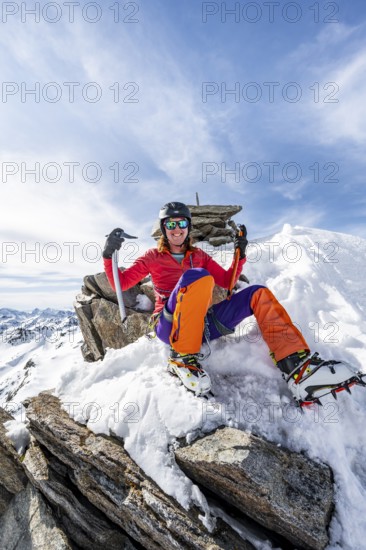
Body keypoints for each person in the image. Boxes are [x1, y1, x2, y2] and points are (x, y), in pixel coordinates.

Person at [103, 201, 362, 405]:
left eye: (181, 222)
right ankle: (182, 358)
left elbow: (227, 282)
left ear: (188, 226)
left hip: (201, 325)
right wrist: (108, 254)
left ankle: (298, 370)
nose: (177, 228)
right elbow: (120, 284)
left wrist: (240, 251)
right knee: (196, 277)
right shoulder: (152, 256)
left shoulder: (199, 255)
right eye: (170, 224)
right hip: (169, 326)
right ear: (164, 228)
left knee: (257, 293)